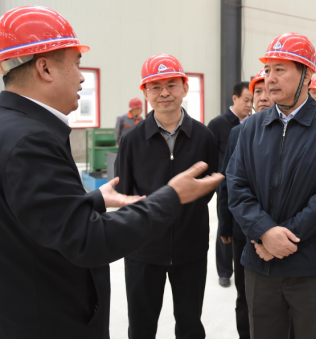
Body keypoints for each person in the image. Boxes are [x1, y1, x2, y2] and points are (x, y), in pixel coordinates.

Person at [0, 6, 222, 339]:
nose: (82, 77)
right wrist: (172, 197)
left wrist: (94, 199)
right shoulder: (29, 140)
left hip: (23, 314)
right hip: (46, 323)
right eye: (77, 63)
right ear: (45, 68)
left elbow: (41, 216)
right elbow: (88, 240)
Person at [227, 33, 316, 339]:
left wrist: (282, 238)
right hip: (260, 265)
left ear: (307, 75)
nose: (270, 78)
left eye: (280, 70)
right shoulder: (252, 127)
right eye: (268, 70)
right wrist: (264, 233)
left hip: (310, 265)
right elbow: (237, 185)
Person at [115, 54, 219, 339]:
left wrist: (186, 216)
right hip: (143, 251)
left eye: (171, 85)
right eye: (155, 86)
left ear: (185, 88)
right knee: (141, 327)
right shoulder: (132, 140)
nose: (164, 93)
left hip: (190, 248)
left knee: (190, 325)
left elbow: (207, 189)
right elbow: (124, 194)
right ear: (145, 92)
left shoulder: (204, 137)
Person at [218, 69, 272, 339]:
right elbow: (227, 183)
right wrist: (225, 225)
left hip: (279, 232)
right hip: (243, 230)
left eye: (267, 91)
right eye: (256, 93)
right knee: (245, 293)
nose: (261, 97)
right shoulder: (237, 133)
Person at [208, 81, 253, 287]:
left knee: (243, 228)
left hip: (247, 187)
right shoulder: (218, 124)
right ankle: (225, 271)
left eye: (251, 101)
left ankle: (245, 266)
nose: (249, 105)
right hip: (225, 185)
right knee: (225, 226)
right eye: (246, 100)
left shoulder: (254, 124)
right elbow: (208, 155)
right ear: (235, 98)